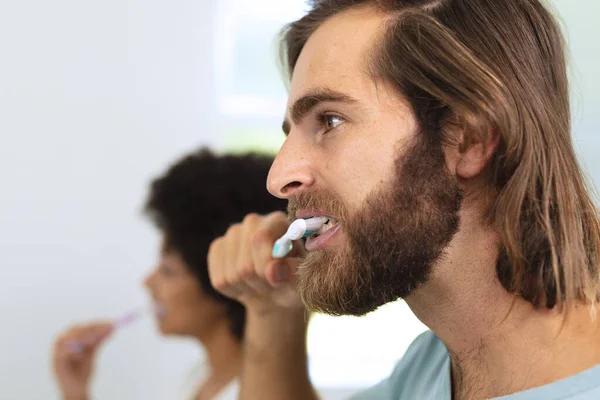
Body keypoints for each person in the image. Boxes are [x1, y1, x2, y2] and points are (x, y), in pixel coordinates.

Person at [207, 1, 600, 399]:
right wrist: (272, 310)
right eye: (291, 132)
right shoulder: (430, 367)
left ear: (468, 139)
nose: (278, 178)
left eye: (330, 121)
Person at [52, 148, 286, 400]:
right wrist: (76, 392)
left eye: (168, 270)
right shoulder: (202, 378)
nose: (148, 282)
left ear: (224, 279)